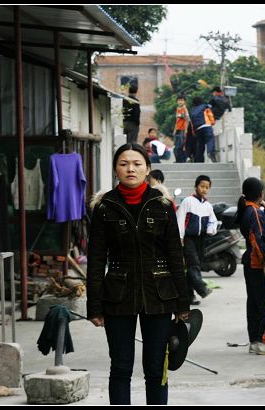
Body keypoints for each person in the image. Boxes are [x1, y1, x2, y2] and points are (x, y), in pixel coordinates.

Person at [86, 143, 188, 405]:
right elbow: (96, 260)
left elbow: (176, 255)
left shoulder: (162, 204)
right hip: (118, 296)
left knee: (156, 368)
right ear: (115, 170)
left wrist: (182, 302)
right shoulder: (104, 207)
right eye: (123, 164)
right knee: (120, 367)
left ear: (148, 168)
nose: (130, 168)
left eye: (137, 163)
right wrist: (94, 305)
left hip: (159, 295)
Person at [235, 177, 265, 354]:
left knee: (253, 302)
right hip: (257, 263)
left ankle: (254, 340)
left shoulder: (247, 210)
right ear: (261, 194)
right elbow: (258, 239)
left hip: (249, 262)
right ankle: (264, 341)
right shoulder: (254, 212)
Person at [176, 175, 218, 306]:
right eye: (202, 186)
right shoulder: (187, 201)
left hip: (201, 239)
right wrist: (180, 237)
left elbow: (213, 221)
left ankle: (189, 296)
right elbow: (180, 219)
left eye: (207, 187)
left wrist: (212, 229)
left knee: (194, 267)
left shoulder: (208, 206)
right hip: (188, 239)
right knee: (193, 264)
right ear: (196, 187)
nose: (204, 189)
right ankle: (202, 288)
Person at [190, 96, 217, 163]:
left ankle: (199, 161)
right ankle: (210, 152)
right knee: (210, 139)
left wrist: (194, 132)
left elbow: (192, 123)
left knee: (200, 145)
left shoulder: (192, 110)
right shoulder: (205, 106)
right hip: (206, 126)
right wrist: (212, 122)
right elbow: (210, 115)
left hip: (198, 129)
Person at [172, 95, 189, 163]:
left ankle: (182, 160)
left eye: (182, 100)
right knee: (176, 145)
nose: (180, 102)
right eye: (179, 100)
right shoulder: (178, 109)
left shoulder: (184, 109)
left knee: (180, 146)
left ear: (185, 101)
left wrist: (186, 130)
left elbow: (187, 119)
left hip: (182, 129)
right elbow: (177, 121)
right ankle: (178, 160)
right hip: (178, 129)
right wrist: (175, 129)